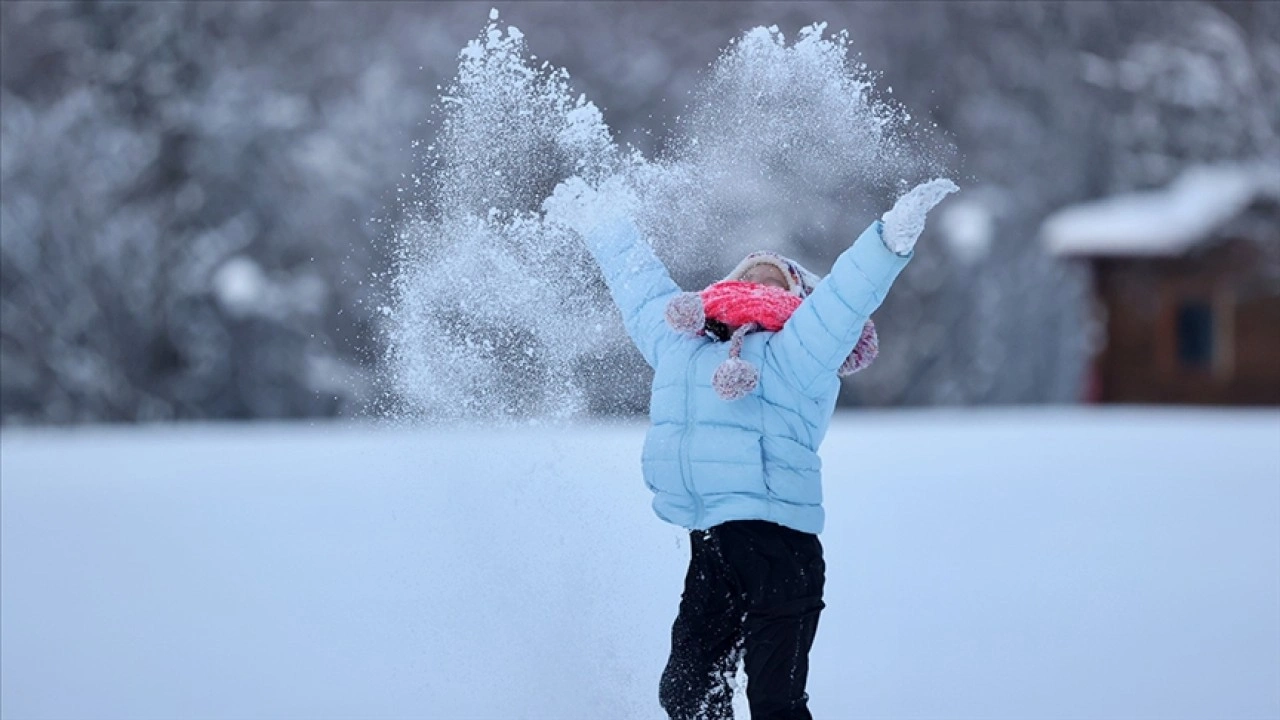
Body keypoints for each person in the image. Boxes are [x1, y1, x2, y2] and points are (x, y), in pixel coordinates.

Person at [544, 176, 958, 720]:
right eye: (748, 272)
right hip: (712, 545)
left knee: (774, 705)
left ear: (797, 298)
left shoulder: (801, 348)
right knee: (687, 695)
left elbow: (846, 295)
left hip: (780, 550)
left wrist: (888, 240)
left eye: (777, 276)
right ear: (722, 287)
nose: (761, 274)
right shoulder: (681, 342)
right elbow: (639, 286)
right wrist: (602, 224)